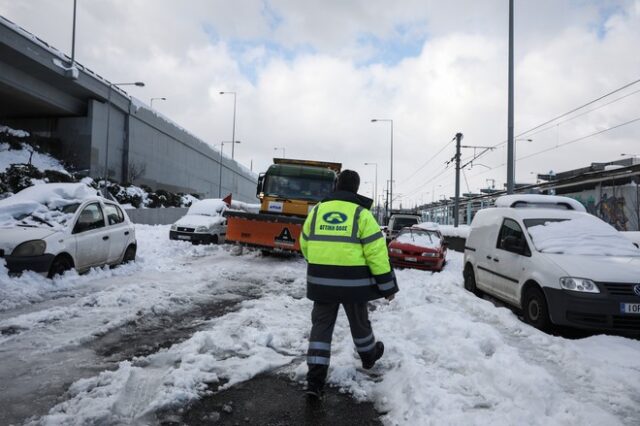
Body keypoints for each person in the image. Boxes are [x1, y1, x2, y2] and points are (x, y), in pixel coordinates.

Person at [299, 169, 399, 399]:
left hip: (321, 283)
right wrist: (387, 286)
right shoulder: (361, 214)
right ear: (356, 188)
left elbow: (304, 244)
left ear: (336, 186)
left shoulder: (317, 211)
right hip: (354, 285)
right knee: (359, 323)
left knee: (321, 328)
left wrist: (320, 264)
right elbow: (376, 253)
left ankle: (314, 382)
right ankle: (369, 356)